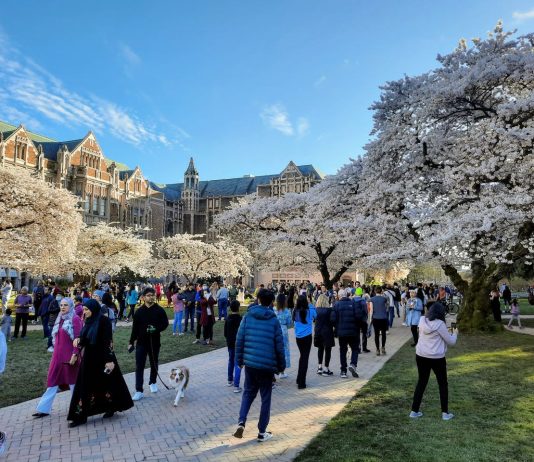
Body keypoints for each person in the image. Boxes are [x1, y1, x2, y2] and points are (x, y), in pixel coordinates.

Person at [67, 300, 132, 427]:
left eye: (86, 310)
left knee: (107, 383)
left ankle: (111, 407)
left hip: (103, 358)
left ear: (94, 309)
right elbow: (85, 337)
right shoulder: (88, 321)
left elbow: (107, 341)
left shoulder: (104, 321)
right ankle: (81, 416)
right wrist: (79, 340)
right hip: (90, 358)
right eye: (84, 310)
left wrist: (109, 360)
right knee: (84, 385)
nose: (84, 312)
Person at [233, 289, 286, 442]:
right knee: (265, 398)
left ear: (257, 299)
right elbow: (279, 345)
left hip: (250, 363)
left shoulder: (248, 316)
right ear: (271, 302)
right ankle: (262, 432)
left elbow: (239, 339)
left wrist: (239, 360)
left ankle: (241, 422)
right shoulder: (273, 320)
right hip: (266, 366)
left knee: (248, 394)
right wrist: (281, 366)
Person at [33, 298, 83, 418]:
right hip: (57, 356)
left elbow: (78, 339)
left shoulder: (75, 319)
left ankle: (79, 409)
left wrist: (75, 354)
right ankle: (43, 409)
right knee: (52, 381)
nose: (63, 307)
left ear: (71, 306)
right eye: (61, 305)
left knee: (73, 383)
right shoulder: (59, 317)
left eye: (66, 305)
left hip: (69, 357)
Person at [410, 302, 458, 421]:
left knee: (421, 382)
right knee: (442, 384)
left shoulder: (422, 320)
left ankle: (414, 411)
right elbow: (451, 342)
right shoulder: (440, 324)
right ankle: (445, 413)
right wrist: (455, 333)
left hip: (421, 355)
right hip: (437, 358)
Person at [129, 287, 169, 401]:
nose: (151, 297)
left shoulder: (159, 310)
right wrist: (131, 342)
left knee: (154, 362)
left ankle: (153, 382)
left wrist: (156, 329)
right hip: (141, 343)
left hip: (154, 342)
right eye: (148, 295)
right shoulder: (139, 312)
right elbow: (134, 329)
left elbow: (165, 324)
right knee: (139, 366)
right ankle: (139, 390)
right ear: (143, 297)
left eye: (152, 295)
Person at [332, 289, 364, 378]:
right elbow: (359, 317)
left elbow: (333, 319)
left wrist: (337, 327)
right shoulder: (353, 303)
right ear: (347, 295)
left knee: (343, 350)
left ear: (339, 296)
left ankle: (343, 371)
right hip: (353, 332)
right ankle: (353, 364)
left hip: (342, 333)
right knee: (355, 349)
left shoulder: (336, 305)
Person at [293, 295, 317, 389]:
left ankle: (299, 378)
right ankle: (301, 383)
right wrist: (311, 305)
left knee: (302, 357)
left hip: (298, 337)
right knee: (304, 358)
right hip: (307, 337)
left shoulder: (295, 311)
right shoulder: (310, 311)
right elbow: (316, 315)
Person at [314, 294, 335, 376]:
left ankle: (319, 367)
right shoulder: (329, 310)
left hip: (318, 331)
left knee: (320, 349)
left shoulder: (316, 310)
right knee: (328, 350)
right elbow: (333, 320)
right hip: (327, 331)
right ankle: (326, 368)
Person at [224, 300, 243, 392]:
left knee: (231, 361)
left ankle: (229, 380)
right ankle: (236, 385)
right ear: (238, 308)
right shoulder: (240, 319)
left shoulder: (228, 319)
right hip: (238, 344)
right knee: (238, 363)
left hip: (230, 343)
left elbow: (225, 333)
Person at [275, 294, 292, 378]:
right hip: (284, 331)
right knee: (284, 351)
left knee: (275, 350)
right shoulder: (287, 311)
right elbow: (289, 323)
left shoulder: (274, 310)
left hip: (275, 331)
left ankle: (275, 370)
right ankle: (282, 371)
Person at [369, 287, 388, 355]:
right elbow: (386, 308)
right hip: (383, 318)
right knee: (383, 334)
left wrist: (370, 319)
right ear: (381, 291)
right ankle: (383, 347)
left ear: (375, 291)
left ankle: (377, 349)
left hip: (376, 318)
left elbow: (371, 310)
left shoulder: (372, 299)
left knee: (376, 335)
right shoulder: (384, 299)